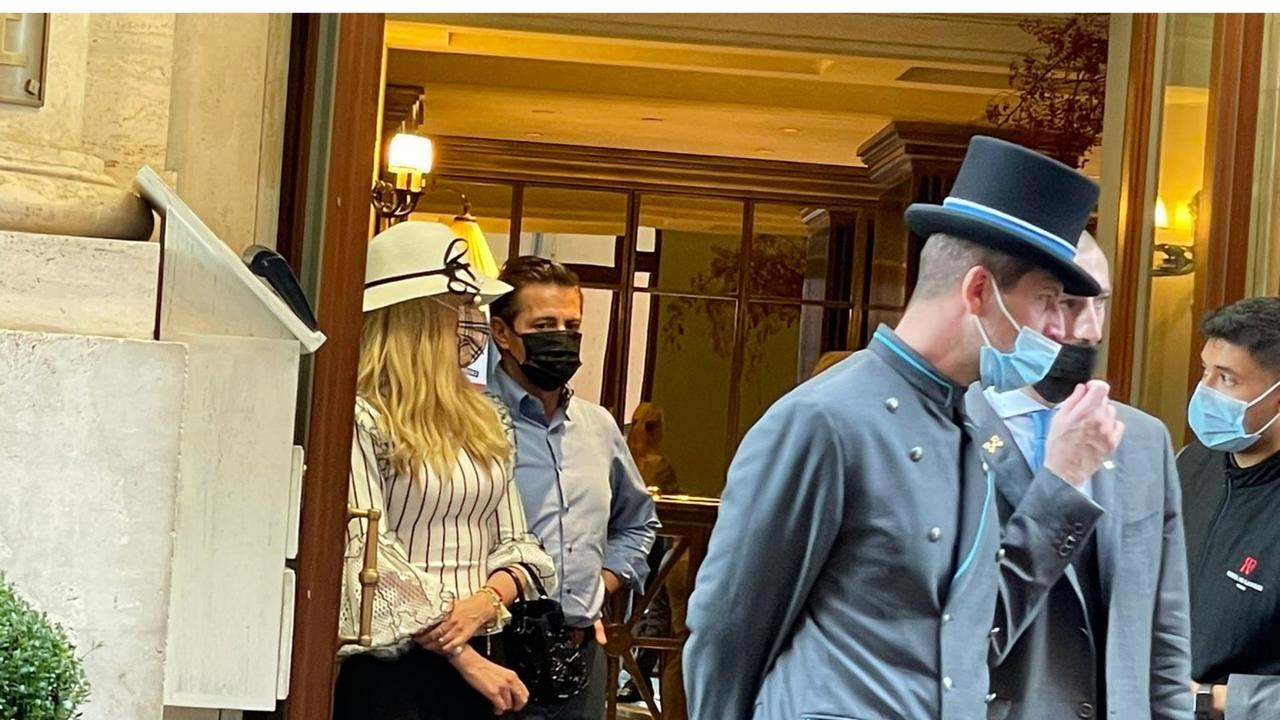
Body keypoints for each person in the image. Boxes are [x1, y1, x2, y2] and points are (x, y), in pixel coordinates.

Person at [684, 136, 1124, 720]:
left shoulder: (971, 425)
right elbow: (729, 632)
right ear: (978, 290)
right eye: (1048, 300)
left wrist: (1063, 486)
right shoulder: (825, 418)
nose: (1064, 330)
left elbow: (977, 632)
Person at [334, 222, 556, 720]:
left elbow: (519, 543)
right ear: (416, 318)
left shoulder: (487, 417)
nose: (475, 321)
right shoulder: (362, 417)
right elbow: (368, 554)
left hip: (487, 654)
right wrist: (462, 654)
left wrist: (487, 601)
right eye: (462, 307)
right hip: (395, 672)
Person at [965, 232, 1192, 719]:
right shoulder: (952, 428)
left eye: (1100, 303)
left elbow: (1165, 631)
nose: (1090, 329)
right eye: (1067, 303)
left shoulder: (1143, 439)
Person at [488, 255, 661, 720]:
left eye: (572, 325)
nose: (561, 338)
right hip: (493, 656)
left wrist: (600, 584)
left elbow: (639, 523)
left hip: (579, 654)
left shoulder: (598, 426)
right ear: (502, 332)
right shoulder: (470, 421)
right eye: (544, 325)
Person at [1180, 297, 1280, 719]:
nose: (1204, 391)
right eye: (1205, 371)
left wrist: (1208, 700)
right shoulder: (1189, 463)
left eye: (1226, 378)